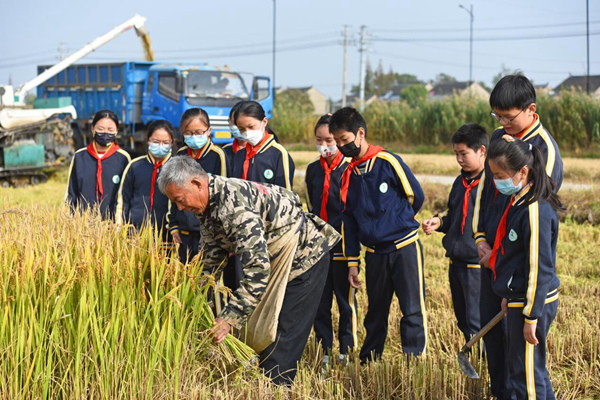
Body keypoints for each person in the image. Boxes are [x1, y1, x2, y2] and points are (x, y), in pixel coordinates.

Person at [157, 156, 341, 385]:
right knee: (260, 331)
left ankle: (277, 387)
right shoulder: (206, 205)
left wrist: (229, 319)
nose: (180, 208)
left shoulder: (234, 206)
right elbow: (212, 256)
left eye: (180, 200)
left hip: (304, 257)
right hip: (272, 258)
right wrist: (191, 296)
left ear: (197, 183)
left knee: (281, 334)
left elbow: (257, 271)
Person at [472, 74, 563, 399]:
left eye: (508, 117)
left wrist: (526, 305)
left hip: (520, 276)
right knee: (501, 353)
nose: (502, 123)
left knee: (526, 370)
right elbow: (483, 193)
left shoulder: (544, 153)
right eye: (497, 117)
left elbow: (536, 233)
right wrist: (481, 238)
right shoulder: (499, 139)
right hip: (498, 268)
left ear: (530, 110)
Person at [329, 107, 427, 363]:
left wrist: (397, 221)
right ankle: (369, 360)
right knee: (375, 312)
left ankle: (414, 363)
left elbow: (416, 195)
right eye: (337, 142)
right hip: (374, 254)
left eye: (345, 140)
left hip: (404, 247)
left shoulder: (388, 161)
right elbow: (348, 222)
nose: (341, 146)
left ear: (360, 133)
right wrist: (353, 261)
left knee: (412, 310)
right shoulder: (348, 174)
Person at [487, 135, 562, 400]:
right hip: (520, 298)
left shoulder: (534, 210)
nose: (497, 181)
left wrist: (531, 315)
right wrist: (509, 295)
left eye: (500, 175)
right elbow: (514, 259)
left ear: (523, 171)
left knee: (526, 378)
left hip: (533, 303)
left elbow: (538, 268)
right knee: (528, 370)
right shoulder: (518, 201)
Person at [422, 123, 488, 343]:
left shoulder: (492, 184)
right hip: (456, 263)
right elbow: (454, 215)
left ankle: (485, 365)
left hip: (477, 266)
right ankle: (474, 360)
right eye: (456, 154)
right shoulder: (460, 182)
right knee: (463, 320)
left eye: (464, 153)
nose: (459, 159)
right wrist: (438, 222)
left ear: (481, 151)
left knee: (477, 321)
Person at [304, 113, 357, 368]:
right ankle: (323, 349)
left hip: (343, 248)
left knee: (345, 304)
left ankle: (346, 351)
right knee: (319, 302)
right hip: (318, 248)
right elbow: (311, 207)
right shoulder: (313, 170)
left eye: (330, 140)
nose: (325, 145)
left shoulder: (349, 168)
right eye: (319, 140)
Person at [167, 108, 228, 264]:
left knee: (206, 277)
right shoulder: (180, 154)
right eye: (189, 133)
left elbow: (222, 197)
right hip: (184, 229)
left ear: (208, 131)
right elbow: (173, 193)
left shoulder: (218, 155)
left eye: (198, 132)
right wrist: (174, 225)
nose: (194, 137)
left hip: (208, 231)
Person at [65, 109, 131, 219]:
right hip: (83, 225)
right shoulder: (79, 156)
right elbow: (71, 193)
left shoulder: (123, 158)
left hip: (113, 225)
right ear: (92, 129)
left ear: (116, 131)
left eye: (110, 130)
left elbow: (127, 196)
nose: (105, 133)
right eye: (100, 129)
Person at [116, 120, 174, 241]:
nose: (160, 146)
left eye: (165, 142)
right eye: (156, 142)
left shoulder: (176, 167)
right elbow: (123, 201)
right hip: (135, 234)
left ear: (172, 143)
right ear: (148, 140)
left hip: (167, 236)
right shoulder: (134, 166)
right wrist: (122, 227)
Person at [231, 101, 295, 189]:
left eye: (251, 127)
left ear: (264, 122)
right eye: (242, 129)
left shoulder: (279, 154)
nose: (247, 133)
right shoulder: (240, 155)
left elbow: (285, 195)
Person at [222, 102, 247, 166]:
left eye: (241, 123)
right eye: (234, 122)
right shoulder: (225, 152)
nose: (238, 126)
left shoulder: (260, 151)